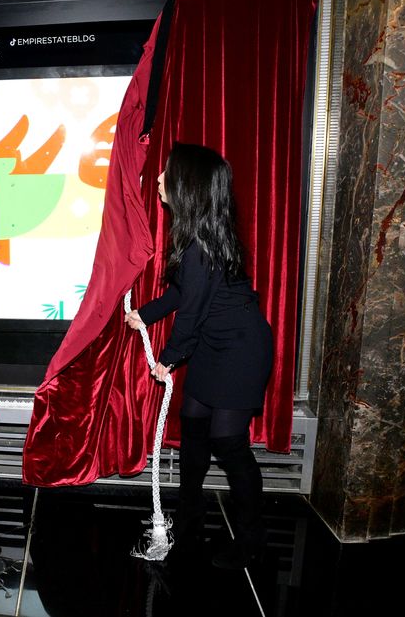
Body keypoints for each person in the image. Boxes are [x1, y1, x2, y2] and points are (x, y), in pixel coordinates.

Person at [125, 143, 273, 570]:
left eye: (166, 173)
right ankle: (190, 520)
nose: (158, 179)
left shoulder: (199, 248)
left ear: (186, 186)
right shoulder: (200, 238)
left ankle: (252, 541)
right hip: (214, 344)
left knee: (228, 442)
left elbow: (189, 314)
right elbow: (183, 295)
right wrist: (145, 315)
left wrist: (168, 358)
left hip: (240, 351)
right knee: (193, 429)